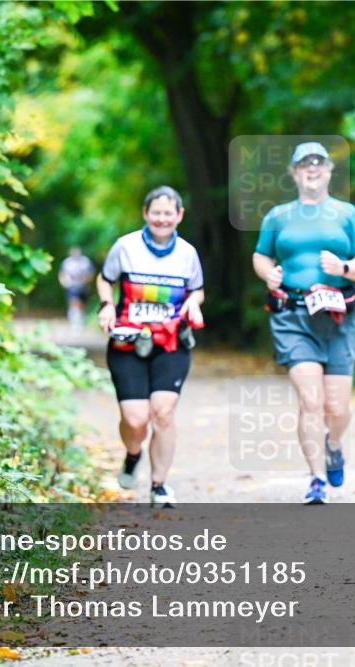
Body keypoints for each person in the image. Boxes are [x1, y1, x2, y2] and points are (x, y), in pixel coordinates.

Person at [252, 142, 355, 505]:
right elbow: (261, 256)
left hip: (340, 316)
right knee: (310, 400)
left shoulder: (347, 214)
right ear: (294, 172)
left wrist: (345, 267)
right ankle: (317, 479)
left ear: (329, 172)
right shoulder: (278, 216)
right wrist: (268, 274)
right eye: (305, 164)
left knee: (337, 408)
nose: (312, 169)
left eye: (319, 163)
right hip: (293, 315)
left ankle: (333, 444)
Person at [96, 186, 204, 508]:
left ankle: (159, 485)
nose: (162, 219)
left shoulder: (187, 253)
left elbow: (197, 290)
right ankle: (133, 454)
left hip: (171, 342)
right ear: (145, 214)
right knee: (135, 419)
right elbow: (105, 279)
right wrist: (107, 305)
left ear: (179, 216)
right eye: (156, 212)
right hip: (128, 341)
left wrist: (194, 304)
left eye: (168, 213)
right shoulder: (125, 246)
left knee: (163, 413)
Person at [58, 247, 95, 329]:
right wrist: (65, 283)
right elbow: (62, 274)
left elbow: (90, 273)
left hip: (83, 287)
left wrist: (85, 280)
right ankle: (74, 320)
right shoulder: (67, 262)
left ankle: (81, 318)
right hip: (72, 286)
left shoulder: (85, 261)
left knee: (82, 304)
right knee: (74, 302)